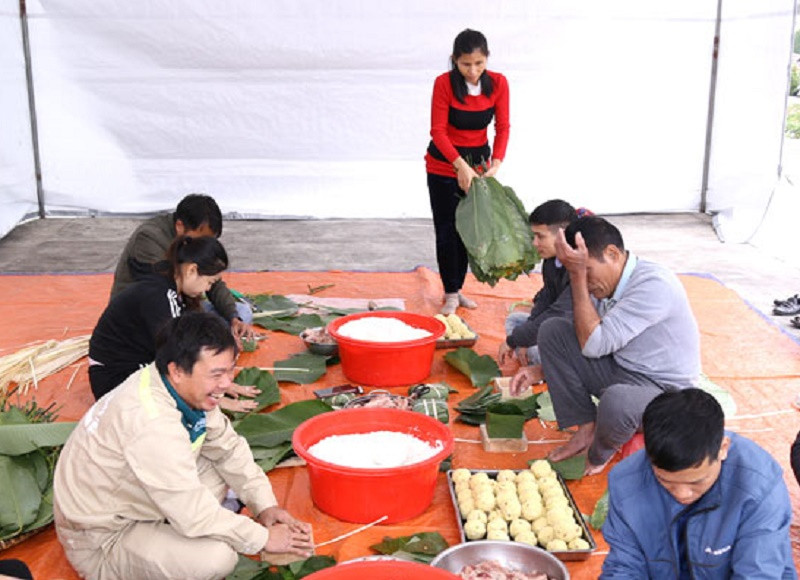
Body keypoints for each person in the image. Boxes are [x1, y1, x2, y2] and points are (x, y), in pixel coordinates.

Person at [54, 312, 313, 580]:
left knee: (218, 465)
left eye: (230, 369)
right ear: (177, 370)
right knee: (216, 558)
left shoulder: (183, 388)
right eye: (217, 374)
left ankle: (188, 530)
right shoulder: (150, 422)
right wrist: (263, 539)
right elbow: (193, 513)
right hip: (103, 538)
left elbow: (228, 448)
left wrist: (264, 506)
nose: (226, 384)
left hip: (133, 501)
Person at [510, 216, 700, 475]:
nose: (584, 280)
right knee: (553, 331)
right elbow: (583, 337)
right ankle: (586, 427)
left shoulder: (655, 285)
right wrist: (539, 371)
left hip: (665, 392)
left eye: (587, 270)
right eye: (575, 271)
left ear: (613, 254)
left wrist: (578, 278)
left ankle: (598, 455)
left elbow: (593, 345)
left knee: (617, 401)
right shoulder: (603, 282)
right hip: (621, 368)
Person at [601, 389, 795, 579]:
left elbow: (758, 573)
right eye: (665, 481)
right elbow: (624, 567)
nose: (682, 494)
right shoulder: (626, 484)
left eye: (696, 482)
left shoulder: (758, 487)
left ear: (723, 449)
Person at [90, 236, 258, 413]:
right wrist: (216, 397)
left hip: (137, 365)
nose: (208, 289)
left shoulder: (172, 286)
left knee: (235, 317)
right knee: (177, 393)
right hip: (115, 380)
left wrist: (218, 383)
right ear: (192, 270)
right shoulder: (160, 295)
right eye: (209, 282)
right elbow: (175, 358)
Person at [425, 29, 510, 315]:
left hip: (480, 167)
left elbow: (503, 127)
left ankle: (459, 288)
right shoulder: (443, 84)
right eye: (465, 65)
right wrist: (459, 165)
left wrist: (495, 163)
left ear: (487, 59)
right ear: (454, 61)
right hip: (444, 164)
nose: (473, 71)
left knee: (470, 231)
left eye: (479, 64)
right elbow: (437, 131)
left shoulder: (498, 83)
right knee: (447, 230)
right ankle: (450, 292)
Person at [110, 193, 255, 339]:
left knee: (242, 313)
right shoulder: (150, 237)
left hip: (182, 302)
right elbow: (160, 294)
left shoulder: (192, 243)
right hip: (147, 311)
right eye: (201, 240)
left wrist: (234, 318)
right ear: (180, 226)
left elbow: (213, 280)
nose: (203, 246)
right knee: (197, 331)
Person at [499, 200, 579, 368]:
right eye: (534, 236)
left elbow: (558, 314)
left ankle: (549, 366)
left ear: (562, 236)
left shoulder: (580, 267)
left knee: (534, 349)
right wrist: (524, 337)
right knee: (514, 321)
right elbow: (546, 300)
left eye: (540, 236)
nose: (535, 243)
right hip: (558, 327)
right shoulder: (550, 262)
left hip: (579, 335)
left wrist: (516, 341)